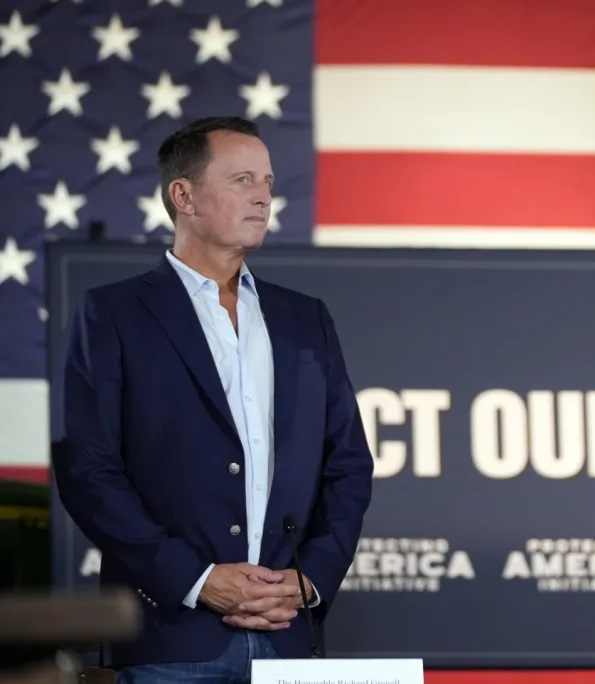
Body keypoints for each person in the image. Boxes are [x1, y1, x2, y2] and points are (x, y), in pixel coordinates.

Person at [52, 116, 375, 683]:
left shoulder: (305, 318)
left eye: (269, 183)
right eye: (242, 180)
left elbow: (347, 463)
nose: (263, 198)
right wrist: (197, 581)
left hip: (287, 637)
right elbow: (88, 469)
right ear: (184, 196)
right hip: (168, 641)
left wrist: (310, 579)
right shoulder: (114, 313)